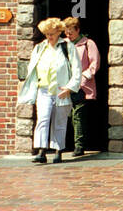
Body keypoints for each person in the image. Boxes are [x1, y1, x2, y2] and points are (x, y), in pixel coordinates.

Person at [17, 17, 82, 164]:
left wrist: (70, 88)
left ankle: (58, 151)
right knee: (43, 119)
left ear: (59, 32)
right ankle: (41, 150)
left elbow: (77, 69)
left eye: (52, 33)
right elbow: (32, 70)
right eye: (47, 34)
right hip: (44, 90)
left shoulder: (67, 47)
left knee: (59, 122)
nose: (49, 37)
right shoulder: (40, 47)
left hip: (61, 90)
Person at [62, 16, 101, 157]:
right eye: (66, 32)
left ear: (77, 30)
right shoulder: (63, 44)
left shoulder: (88, 44)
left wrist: (83, 78)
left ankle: (79, 146)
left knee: (78, 115)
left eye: (70, 32)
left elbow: (94, 64)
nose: (68, 35)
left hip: (81, 87)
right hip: (65, 86)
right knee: (66, 116)